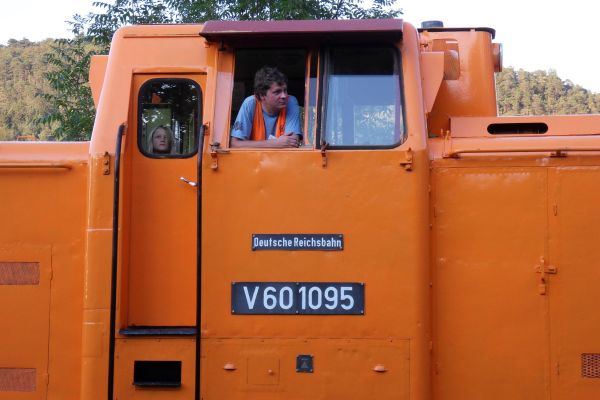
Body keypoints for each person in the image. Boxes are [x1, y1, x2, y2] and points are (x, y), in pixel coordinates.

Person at [230, 67, 302, 148]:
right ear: (262, 95)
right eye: (277, 92)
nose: (284, 96)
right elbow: (235, 144)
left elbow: (292, 143)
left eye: (285, 90)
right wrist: (275, 143)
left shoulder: (291, 101)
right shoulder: (250, 103)